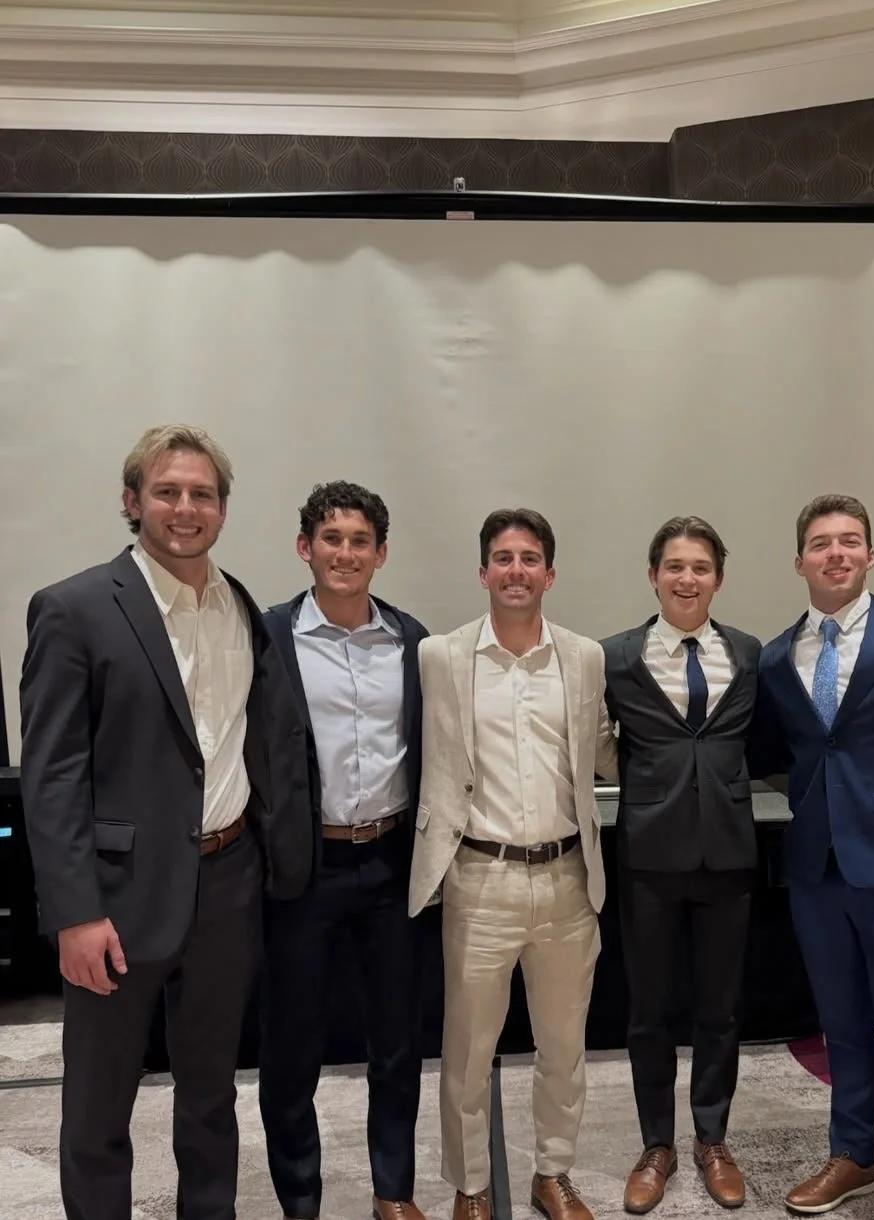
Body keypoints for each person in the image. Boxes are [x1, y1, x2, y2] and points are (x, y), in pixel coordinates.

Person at [18, 423, 314, 1220]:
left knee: (212, 1094)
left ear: (223, 508)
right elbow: (52, 777)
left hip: (227, 883)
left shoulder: (240, 607)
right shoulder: (74, 608)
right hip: (115, 899)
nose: (187, 508)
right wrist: (75, 913)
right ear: (132, 500)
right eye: (167, 492)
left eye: (202, 494)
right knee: (98, 1105)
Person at [407, 508, 617, 1220]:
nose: (516, 570)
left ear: (550, 574)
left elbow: (604, 749)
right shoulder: (440, 657)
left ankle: (552, 1173)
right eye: (503, 558)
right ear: (483, 572)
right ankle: (470, 1186)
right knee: (468, 1049)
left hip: (567, 878)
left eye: (530, 559)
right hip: (479, 878)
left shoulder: (584, 658)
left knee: (564, 1045)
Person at [752, 494, 874, 1220]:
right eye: (820, 543)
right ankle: (854, 1155)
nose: (835, 553)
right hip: (814, 865)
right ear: (799, 561)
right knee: (840, 1024)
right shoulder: (776, 656)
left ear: (870, 554)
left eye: (849, 541)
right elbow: (778, 754)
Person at [257, 481, 428, 1220]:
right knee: (292, 1049)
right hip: (304, 868)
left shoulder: (412, 640)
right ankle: (301, 1202)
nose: (346, 553)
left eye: (361, 541)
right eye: (332, 539)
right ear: (306, 547)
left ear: (381, 553)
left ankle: (394, 1192)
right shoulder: (267, 637)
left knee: (397, 1043)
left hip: (391, 864)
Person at [600, 516, 759, 1215]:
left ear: (717, 578)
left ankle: (713, 1138)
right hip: (648, 857)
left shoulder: (748, 654)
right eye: (674, 566)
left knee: (720, 1010)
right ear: (653, 575)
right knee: (649, 1011)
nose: (686, 578)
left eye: (700, 567)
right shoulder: (614, 657)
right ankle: (656, 1144)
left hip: (728, 855)